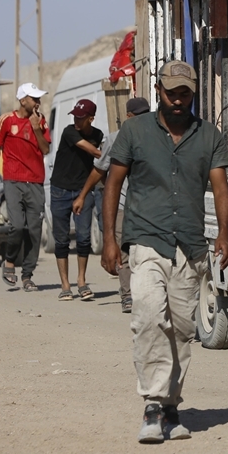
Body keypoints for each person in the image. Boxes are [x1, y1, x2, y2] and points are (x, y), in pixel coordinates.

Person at [101, 61, 228, 444]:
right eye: (171, 93)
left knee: (180, 329)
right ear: (158, 91)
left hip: (189, 245)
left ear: (193, 94)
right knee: (146, 313)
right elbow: (113, 183)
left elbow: (220, 187)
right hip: (145, 240)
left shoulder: (209, 136)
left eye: (184, 94)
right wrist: (110, 239)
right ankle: (153, 405)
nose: (177, 100)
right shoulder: (135, 131)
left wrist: (224, 235)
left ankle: (171, 406)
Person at [72, 96, 150, 313]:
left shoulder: (155, 137)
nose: (142, 121)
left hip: (147, 207)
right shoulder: (115, 139)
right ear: (128, 117)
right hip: (123, 205)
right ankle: (127, 295)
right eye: (138, 117)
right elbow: (99, 170)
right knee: (123, 251)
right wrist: (82, 196)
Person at [0, 82, 51, 293]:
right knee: (17, 226)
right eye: (34, 98)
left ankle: (27, 276)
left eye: (39, 98)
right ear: (23, 100)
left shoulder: (40, 122)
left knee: (34, 230)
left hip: (35, 181)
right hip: (13, 181)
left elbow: (45, 149)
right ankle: (10, 261)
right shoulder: (6, 120)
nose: (38, 102)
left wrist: (35, 128)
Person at [50, 99, 103, 302]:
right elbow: (91, 151)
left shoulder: (97, 135)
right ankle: (65, 285)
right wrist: (110, 155)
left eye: (80, 118)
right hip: (60, 190)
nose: (76, 120)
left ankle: (81, 281)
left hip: (83, 189)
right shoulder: (69, 131)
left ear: (90, 119)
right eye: (75, 116)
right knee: (61, 239)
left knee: (84, 238)